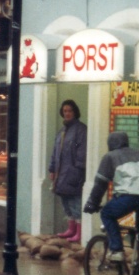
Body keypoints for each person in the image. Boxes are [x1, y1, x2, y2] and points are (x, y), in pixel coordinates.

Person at [83, 131, 139, 261]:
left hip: (130, 196)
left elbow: (100, 184)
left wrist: (92, 203)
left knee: (107, 214)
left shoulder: (110, 156)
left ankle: (116, 250)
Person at [48, 99, 87, 242]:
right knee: (65, 201)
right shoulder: (62, 131)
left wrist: (78, 169)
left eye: (70, 111)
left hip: (74, 172)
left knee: (75, 201)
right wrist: (52, 169)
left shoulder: (81, 130)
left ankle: (79, 231)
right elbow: (55, 152)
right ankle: (71, 229)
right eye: (65, 111)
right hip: (61, 172)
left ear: (75, 112)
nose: (67, 113)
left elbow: (82, 152)